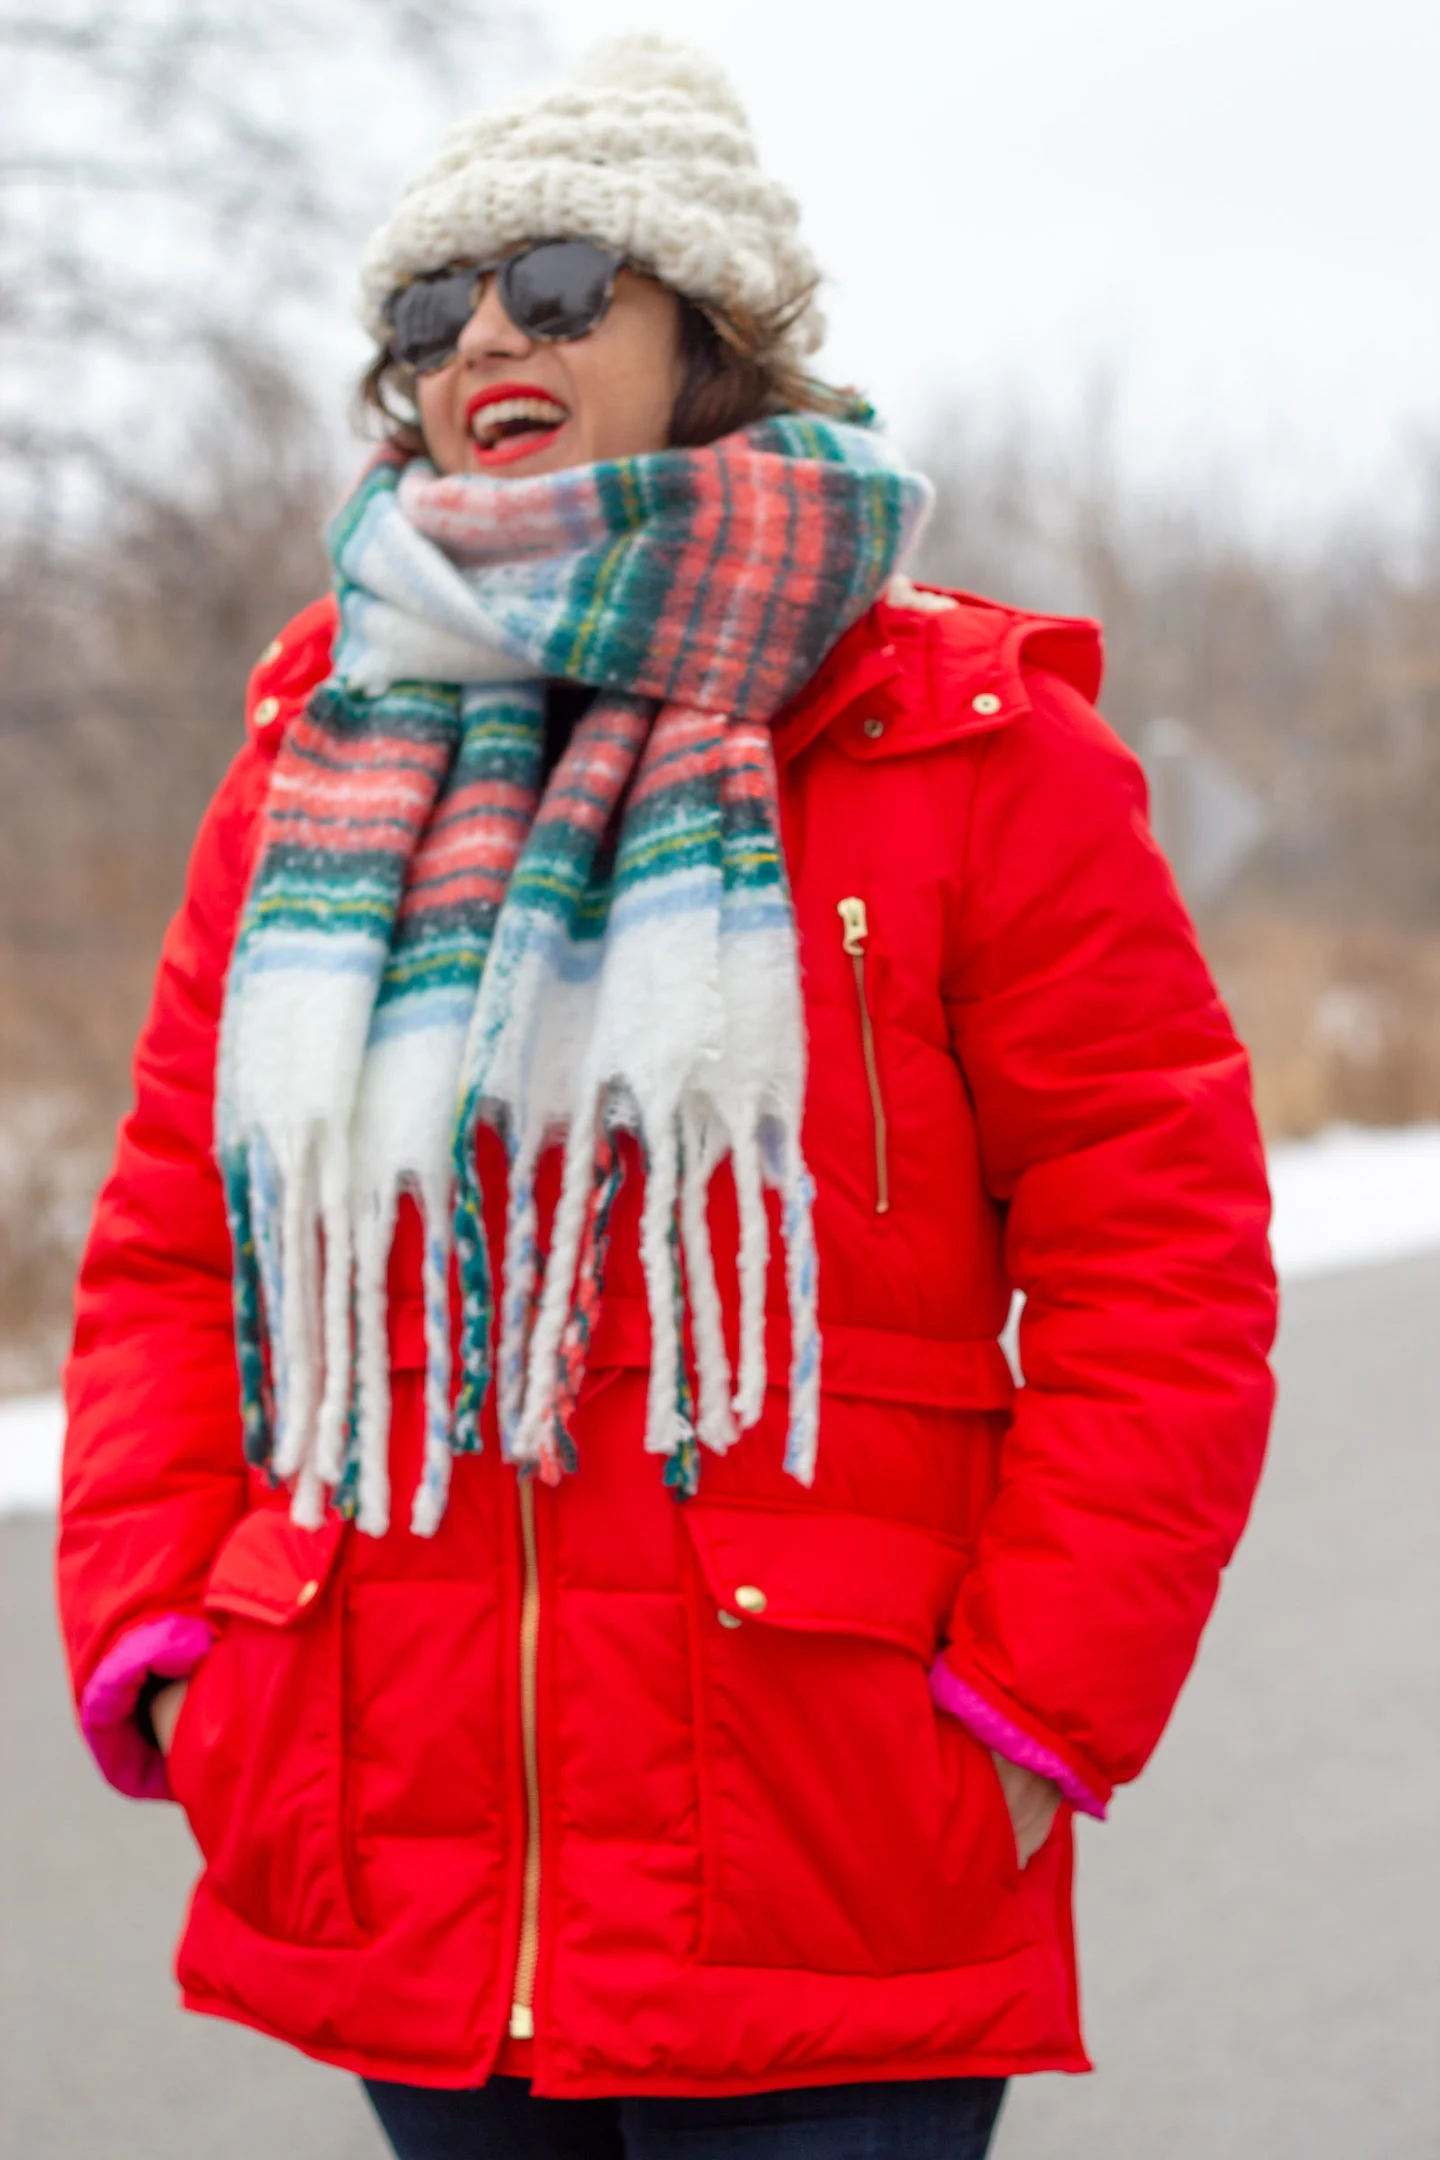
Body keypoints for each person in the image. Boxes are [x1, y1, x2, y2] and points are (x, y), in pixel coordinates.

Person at [56, 36, 1277, 2160]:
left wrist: (1027, 1713)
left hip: (831, 1851)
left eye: (550, 278)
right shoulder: (314, 768)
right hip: (405, 1841)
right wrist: (173, 1646)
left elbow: (1158, 1260)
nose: (480, 342)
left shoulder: (968, 751)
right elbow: (177, 1234)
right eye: (427, 318)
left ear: (712, 331)